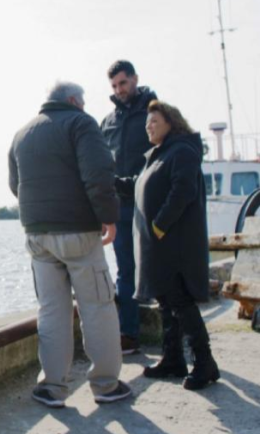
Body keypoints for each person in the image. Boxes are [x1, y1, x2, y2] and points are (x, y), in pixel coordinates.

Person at [8, 81, 131, 407]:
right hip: (78, 232)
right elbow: (98, 173)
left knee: (51, 311)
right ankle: (106, 386)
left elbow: (14, 185)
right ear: (75, 100)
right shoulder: (81, 122)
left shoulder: (22, 134)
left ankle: (52, 387)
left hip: (36, 237)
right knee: (98, 306)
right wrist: (108, 216)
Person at [116, 100, 220, 391]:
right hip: (158, 248)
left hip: (174, 245)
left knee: (181, 303)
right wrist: (114, 183)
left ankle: (205, 362)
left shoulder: (182, 151)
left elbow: (182, 190)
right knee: (166, 303)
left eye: (154, 121)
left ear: (171, 123)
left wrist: (159, 226)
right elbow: (141, 183)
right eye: (147, 122)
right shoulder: (158, 155)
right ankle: (173, 359)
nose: (148, 126)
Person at [101, 60, 158, 355]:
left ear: (135, 78)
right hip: (119, 206)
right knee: (125, 269)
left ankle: (175, 335)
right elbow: (100, 164)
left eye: (123, 83)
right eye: (113, 86)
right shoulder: (107, 121)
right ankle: (129, 334)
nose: (119, 90)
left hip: (151, 203)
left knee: (159, 265)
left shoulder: (154, 112)